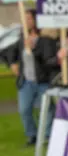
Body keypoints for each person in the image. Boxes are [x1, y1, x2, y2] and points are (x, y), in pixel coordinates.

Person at [7, 9, 55, 146]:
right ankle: (32, 135)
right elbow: (11, 52)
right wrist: (12, 64)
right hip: (26, 81)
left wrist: (33, 49)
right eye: (24, 19)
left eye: (29, 18)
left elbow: (47, 60)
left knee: (46, 110)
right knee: (24, 109)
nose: (26, 21)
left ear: (35, 21)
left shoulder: (44, 39)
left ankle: (47, 136)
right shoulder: (22, 38)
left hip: (42, 81)